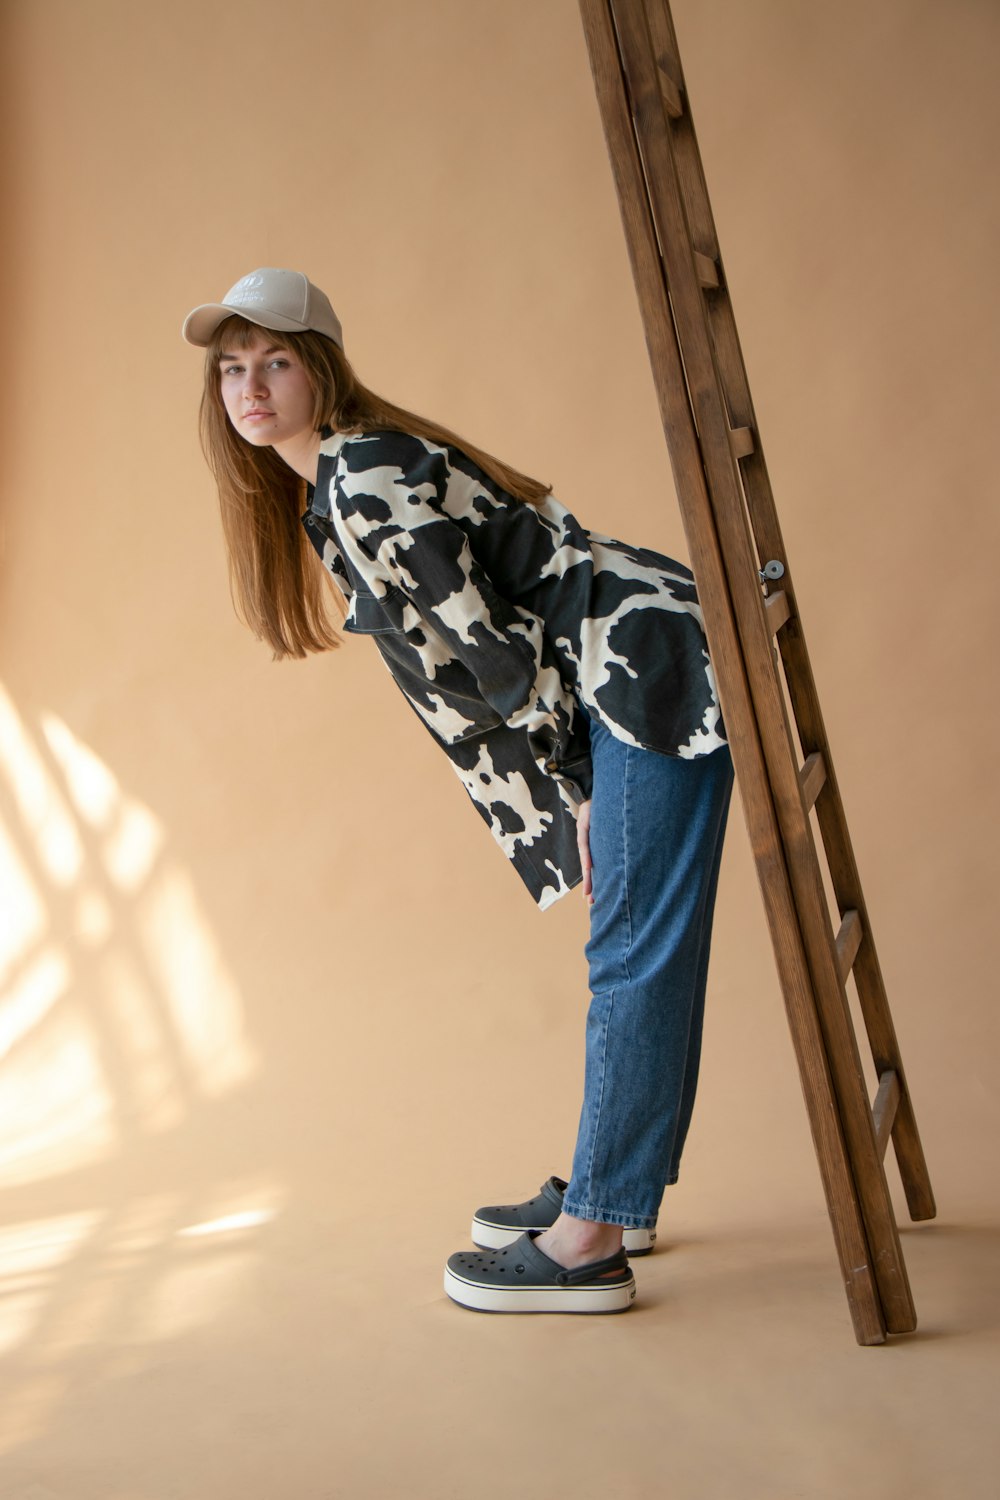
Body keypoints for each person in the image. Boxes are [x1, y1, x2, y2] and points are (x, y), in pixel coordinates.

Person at [183, 267, 734, 1315]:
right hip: (630, 663)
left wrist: (569, 781)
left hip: (642, 670)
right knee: (642, 940)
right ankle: (617, 1188)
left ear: (323, 369)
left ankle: (589, 1245)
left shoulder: (363, 476)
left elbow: (490, 646)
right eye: (231, 370)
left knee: (633, 945)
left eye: (277, 361)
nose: (250, 387)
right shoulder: (336, 483)